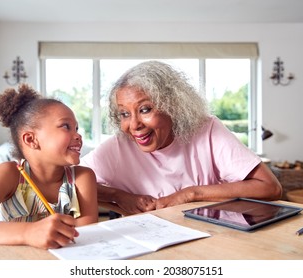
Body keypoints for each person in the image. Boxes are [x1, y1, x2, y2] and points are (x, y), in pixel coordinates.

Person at [80, 60, 282, 215]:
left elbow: (270, 187)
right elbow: (65, 181)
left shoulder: (207, 129)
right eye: (124, 114)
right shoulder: (118, 147)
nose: (134, 125)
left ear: (173, 106)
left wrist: (190, 194)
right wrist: (118, 197)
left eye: (145, 109)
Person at [0, 84, 98, 251]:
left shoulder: (83, 177)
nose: (78, 135)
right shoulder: (9, 174)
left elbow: (87, 234)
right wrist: (29, 232)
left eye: (77, 128)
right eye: (66, 126)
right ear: (30, 140)